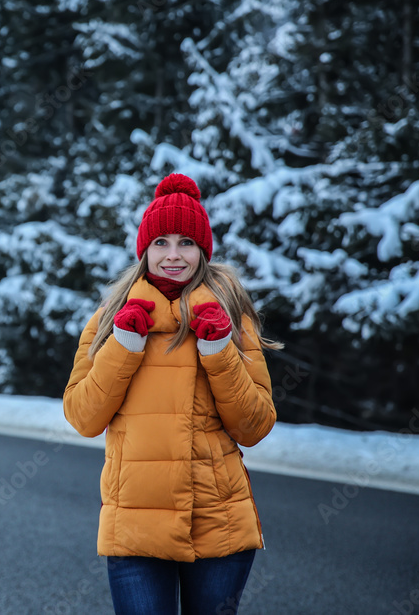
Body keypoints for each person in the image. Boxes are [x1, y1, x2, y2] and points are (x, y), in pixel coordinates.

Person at [62, 173, 283, 615]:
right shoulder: (109, 317)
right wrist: (123, 347)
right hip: (135, 525)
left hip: (218, 522)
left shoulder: (231, 317)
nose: (174, 255)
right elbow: (83, 417)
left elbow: (254, 425)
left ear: (203, 249)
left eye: (186, 242)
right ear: (144, 249)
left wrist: (219, 351)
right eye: (161, 242)